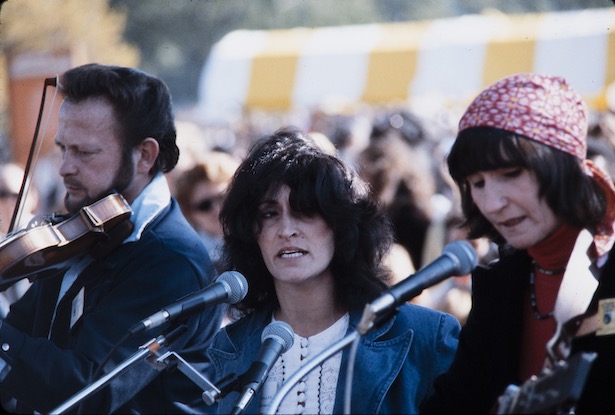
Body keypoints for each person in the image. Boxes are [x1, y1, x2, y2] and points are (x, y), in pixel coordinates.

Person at [0, 63, 222, 414]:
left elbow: (86, 389)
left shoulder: (171, 259)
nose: (65, 168)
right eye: (63, 149)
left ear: (145, 155)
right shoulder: (83, 229)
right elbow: (20, 337)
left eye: (84, 152)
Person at [205, 127, 460, 414]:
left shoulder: (425, 337)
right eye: (269, 213)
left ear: (341, 225)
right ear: (251, 233)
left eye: (306, 210)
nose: (286, 230)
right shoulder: (226, 349)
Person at [420, 73, 615, 414]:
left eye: (511, 174)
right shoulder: (500, 286)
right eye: (476, 183)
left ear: (563, 167)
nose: (493, 202)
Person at [173, 151, 240, 274]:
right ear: (190, 215)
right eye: (204, 205)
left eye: (222, 197)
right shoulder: (190, 260)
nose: (217, 209)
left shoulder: (260, 237)